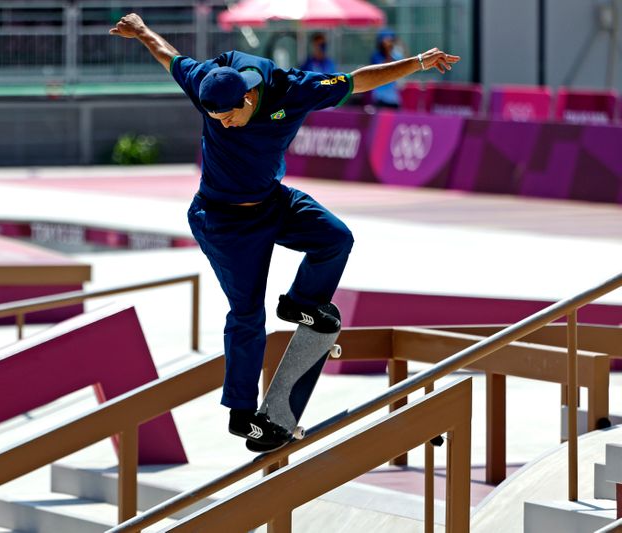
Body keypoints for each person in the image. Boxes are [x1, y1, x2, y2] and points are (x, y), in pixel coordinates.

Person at [110, 13, 459, 449]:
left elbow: (359, 80)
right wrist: (141, 31)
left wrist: (419, 62)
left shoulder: (293, 90)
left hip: (272, 201)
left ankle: (301, 302)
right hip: (222, 221)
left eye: (229, 117)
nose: (222, 124)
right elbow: (170, 57)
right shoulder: (207, 83)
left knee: (335, 239)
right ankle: (243, 415)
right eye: (213, 117)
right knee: (246, 313)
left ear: (249, 96)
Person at [369, 28, 404, 108]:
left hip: (394, 97)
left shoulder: (397, 55)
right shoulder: (376, 56)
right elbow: (382, 69)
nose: (388, 43)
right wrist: (388, 52)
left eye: (390, 40)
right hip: (380, 97)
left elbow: (402, 66)